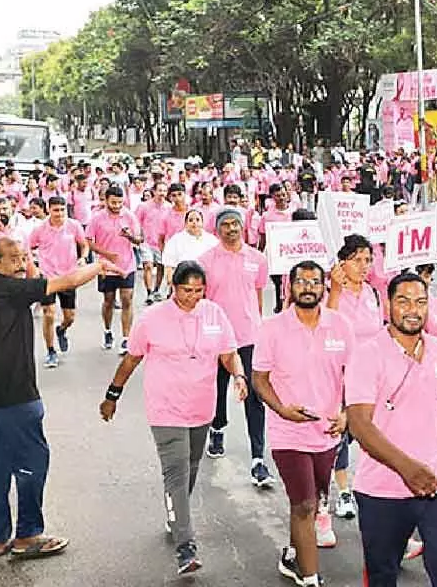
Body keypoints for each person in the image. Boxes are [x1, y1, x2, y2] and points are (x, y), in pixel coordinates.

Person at [0, 236, 117, 560]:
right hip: (16, 395)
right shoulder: (14, 291)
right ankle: (28, 535)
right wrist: (99, 265)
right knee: (33, 462)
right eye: (14, 258)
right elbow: (68, 280)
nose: (20, 263)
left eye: (23, 257)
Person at [99, 261, 249, 576]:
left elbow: (228, 352)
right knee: (177, 473)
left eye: (198, 290)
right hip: (165, 409)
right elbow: (132, 359)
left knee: (191, 467)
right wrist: (112, 395)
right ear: (173, 286)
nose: (193, 297)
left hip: (201, 408)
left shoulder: (214, 314)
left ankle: (175, 514)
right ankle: (185, 546)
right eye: (186, 290)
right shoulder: (152, 318)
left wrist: (238, 375)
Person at [345, 272, 437, 587]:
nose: (412, 309)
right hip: (382, 488)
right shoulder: (367, 354)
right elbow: (359, 423)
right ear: (388, 306)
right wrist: (407, 469)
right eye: (403, 301)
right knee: (382, 575)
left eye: (420, 302)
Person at [252, 260, 355, 585]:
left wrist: (346, 412)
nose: (308, 287)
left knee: (313, 501)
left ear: (324, 288)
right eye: (301, 282)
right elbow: (260, 379)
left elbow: (354, 376)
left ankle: (292, 555)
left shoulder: (341, 326)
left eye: (314, 282)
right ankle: (309, 576)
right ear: (289, 287)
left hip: (327, 435)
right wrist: (282, 410)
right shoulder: (272, 328)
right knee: (305, 504)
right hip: (288, 434)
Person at [197, 209, 272, 486]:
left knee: (255, 395)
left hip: (249, 336)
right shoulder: (205, 261)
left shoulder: (257, 259)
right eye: (225, 225)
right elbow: (200, 301)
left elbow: (258, 294)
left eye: (235, 224)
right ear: (217, 230)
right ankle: (217, 427)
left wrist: (260, 329)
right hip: (217, 338)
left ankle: (258, 458)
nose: (231, 229)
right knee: (216, 390)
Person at [324, 234, 381, 522]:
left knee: (374, 431)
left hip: (372, 377)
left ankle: (375, 486)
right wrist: (334, 290)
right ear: (342, 262)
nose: (363, 266)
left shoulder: (373, 293)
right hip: (341, 375)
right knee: (341, 434)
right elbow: (327, 326)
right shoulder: (331, 293)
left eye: (367, 260)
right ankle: (343, 491)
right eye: (357, 260)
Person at [27, 197, 89, 368]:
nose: (59, 214)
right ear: (48, 210)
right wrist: (35, 268)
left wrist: (83, 258)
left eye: (62, 210)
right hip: (48, 277)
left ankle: (61, 330)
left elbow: (84, 245)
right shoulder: (39, 229)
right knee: (49, 313)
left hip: (69, 276)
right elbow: (27, 249)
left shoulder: (73, 226)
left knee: (70, 317)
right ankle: (51, 351)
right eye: (56, 210)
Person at [85, 186, 144, 355]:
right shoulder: (97, 218)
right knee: (109, 300)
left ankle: (126, 338)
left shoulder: (129, 216)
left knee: (127, 299)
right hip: (106, 267)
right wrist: (106, 254)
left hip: (127, 265)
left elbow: (139, 240)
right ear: (106, 200)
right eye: (113, 202)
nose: (117, 206)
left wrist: (130, 237)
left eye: (120, 202)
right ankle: (107, 330)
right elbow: (88, 241)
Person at [258, 183, 300, 312]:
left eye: (283, 195)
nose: (281, 198)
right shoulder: (267, 216)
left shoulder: (295, 212)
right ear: (272, 198)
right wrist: (260, 252)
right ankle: (279, 303)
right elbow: (263, 235)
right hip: (275, 253)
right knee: (277, 279)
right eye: (278, 196)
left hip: (292, 252)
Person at [161, 209, 220, 285]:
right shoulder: (176, 240)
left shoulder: (212, 240)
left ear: (202, 223)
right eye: (191, 220)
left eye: (197, 220)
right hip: (183, 280)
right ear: (185, 223)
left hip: (207, 280)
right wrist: (171, 282)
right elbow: (169, 264)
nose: (194, 222)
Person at [137, 182, 170, 304]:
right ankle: (149, 292)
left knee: (161, 266)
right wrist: (138, 236)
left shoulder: (169, 207)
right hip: (146, 241)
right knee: (148, 265)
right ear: (154, 191)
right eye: (159, 190)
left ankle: (156, 289)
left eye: (164, 191)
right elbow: (136, 222)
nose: (162, 193)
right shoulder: (144, 206)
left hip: (161, 242)